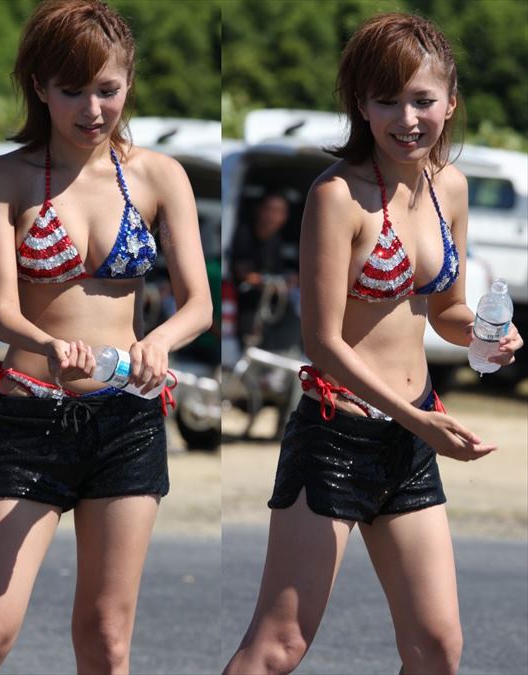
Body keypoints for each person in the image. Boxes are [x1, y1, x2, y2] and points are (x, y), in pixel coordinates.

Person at [225, 13, 523, 675]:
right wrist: (419, 420)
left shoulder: (450, 188)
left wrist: (485, 333)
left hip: (410, 440)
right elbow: (322, 341)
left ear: (451, 102)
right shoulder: (337, 195)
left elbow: (445, 310)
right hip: (337, 434)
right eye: (387, 101)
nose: (407, 119)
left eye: (423, 100)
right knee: (278, 647)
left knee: (437, 648)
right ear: (362, 105)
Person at [0, 1, 211, 672]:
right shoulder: (0, 179)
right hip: (33, 413)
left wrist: (159, 342)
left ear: (128, 82)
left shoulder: (159, 176)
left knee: (106, 637)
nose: (92, 109)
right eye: (72, 90)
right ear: (40, 87)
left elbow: (198, 304)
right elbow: (2, 310)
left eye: (107, 89)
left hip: (128, 420)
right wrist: (49, 344)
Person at [231, 192, 300, 351]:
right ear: (259, 210)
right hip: (246, 302)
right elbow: (244, 274)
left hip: (272, 303)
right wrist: (268, 283)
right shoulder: (243, 234)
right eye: (270, 210)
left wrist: (288, 282)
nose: (273, 216)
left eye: (279, 212)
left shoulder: (277, 241)